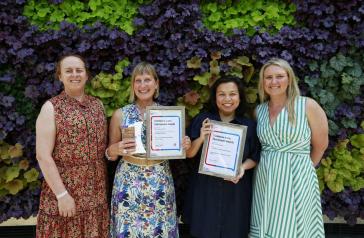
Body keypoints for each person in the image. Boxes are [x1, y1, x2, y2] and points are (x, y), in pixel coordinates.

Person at [106, 62, 191, 238]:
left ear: (156, 83)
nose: (143, 85)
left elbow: (179, 151)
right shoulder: (120, 114)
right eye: (138, 80)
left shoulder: (169, 114)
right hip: (128, 183)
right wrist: (115, 149)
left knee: (160, 231)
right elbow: (110, 155)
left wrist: (184, 144)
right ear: (132, 85)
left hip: (159, 181)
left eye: (147, 80)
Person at [249, 58, 328, 237]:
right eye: (268, 77)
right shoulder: (259, 111)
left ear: (289, 79)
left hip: (297, 176)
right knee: (266, 222)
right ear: (263, 82)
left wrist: (303, 170)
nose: (274, 82)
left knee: (295, 227)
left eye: (279, 76)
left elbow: (321, 145)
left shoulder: (307, 105)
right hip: (265, 177)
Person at [35, 54, 109, 238]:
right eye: (68, 71)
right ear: (60, 76)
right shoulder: (51, 108)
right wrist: (62, 195)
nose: (74, 74)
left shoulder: (97, 105)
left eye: (79, 70)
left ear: (86, 75)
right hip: (65, 192)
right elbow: (43, 156)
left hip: (95, 192)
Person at [183, 75, 261, 238]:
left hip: (236, 191)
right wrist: (202, 138)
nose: (227, 99)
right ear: (215, 97)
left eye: (232, 94)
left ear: (239, 97)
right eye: (222, 94)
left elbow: (255, 156)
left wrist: (242, 167)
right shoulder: (202, 121)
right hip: (206, 190)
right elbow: (189, 154)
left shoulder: (249, 126)